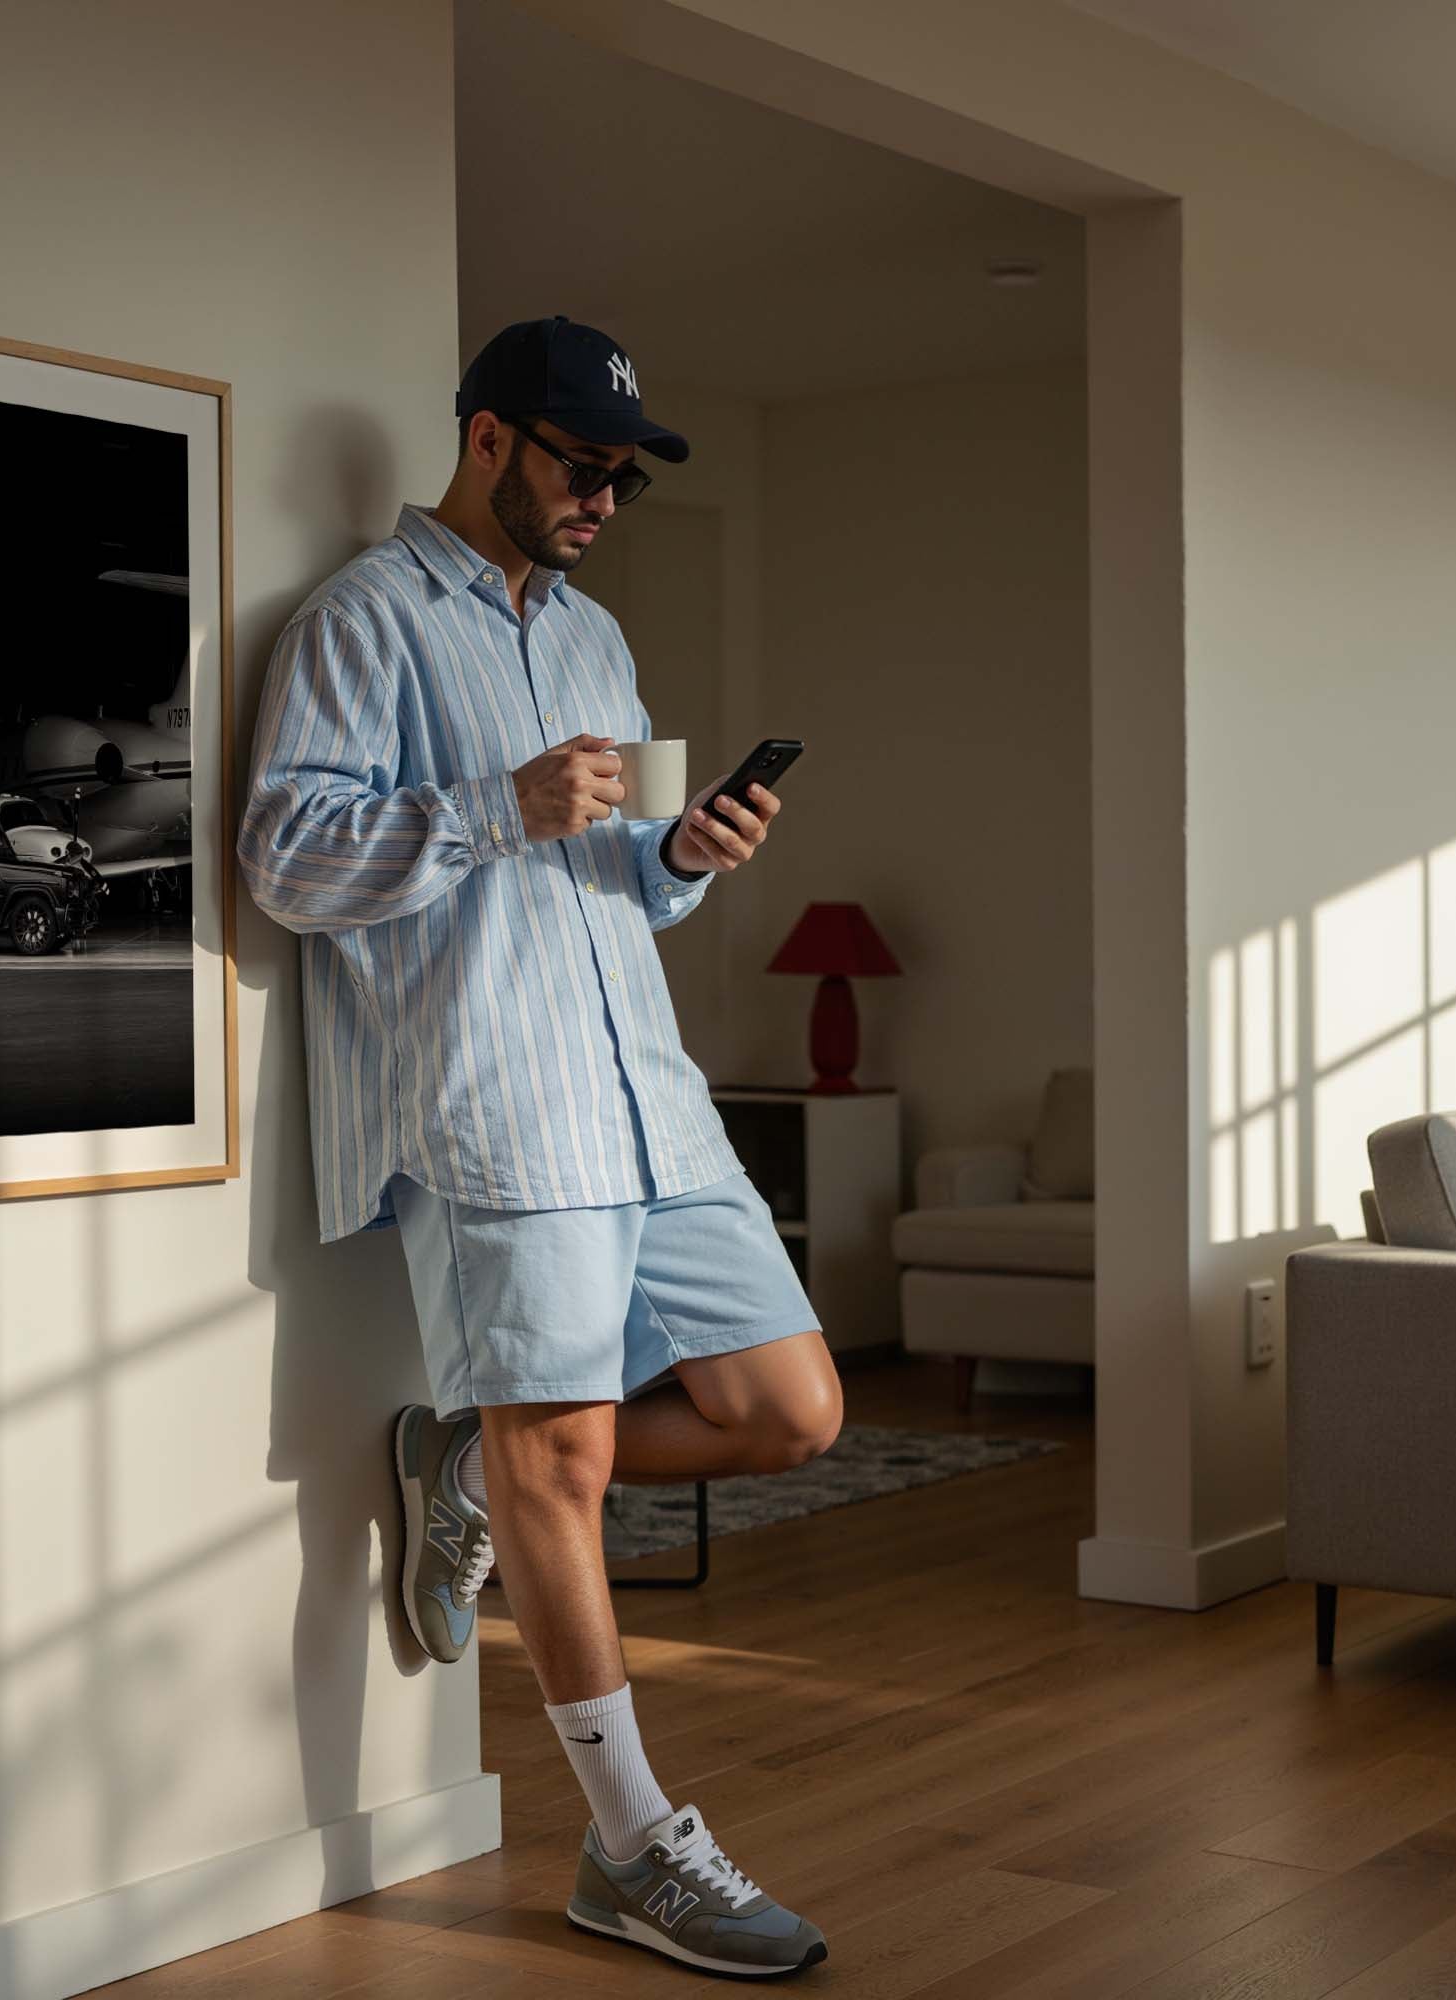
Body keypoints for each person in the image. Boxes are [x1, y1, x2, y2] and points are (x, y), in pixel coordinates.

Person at [239, 315, 838, 1978]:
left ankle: (465, 1461)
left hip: (653, 1089)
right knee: (563, 1459)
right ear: (489, 438)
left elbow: (622, 872)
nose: (605, 499)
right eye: (584, 465)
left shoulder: (596, 638)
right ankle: (634, 1844)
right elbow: (286, 860)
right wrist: (499, 804)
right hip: (495, 1104)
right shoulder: (360, 621)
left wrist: (692, 852)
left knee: (792, 1412)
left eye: (626, 477)